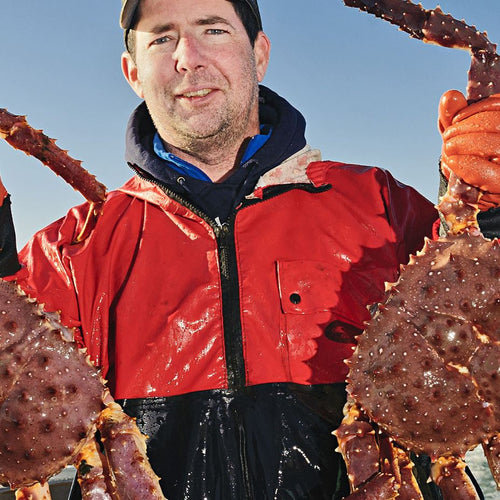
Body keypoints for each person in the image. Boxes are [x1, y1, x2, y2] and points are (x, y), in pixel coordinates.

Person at [0, 0, 499, 498]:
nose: (188, 57)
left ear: (259, 54)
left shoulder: (385, 208)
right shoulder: (66, 255)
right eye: (161, 37)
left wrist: (493, 211)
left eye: (213, 29)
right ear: (133, 71)